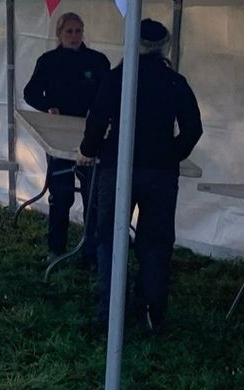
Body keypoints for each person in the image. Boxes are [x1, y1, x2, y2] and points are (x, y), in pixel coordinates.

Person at [78, 18, 203, 335]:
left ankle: (108, 313)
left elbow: (97, 121)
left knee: (110, 238)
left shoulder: (118, 77)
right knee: (156, 242)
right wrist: (170, 154)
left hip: (118, 166)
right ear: (165, 46)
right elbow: (193, 130)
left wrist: (88, 151)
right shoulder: (175, 81)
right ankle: (150, 311)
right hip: (160, 172)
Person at [22, 12, 111, 262]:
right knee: (61, 195)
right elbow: (30, 93)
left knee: (92, 195)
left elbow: (109, 95)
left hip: (91, 137)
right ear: (59, 35)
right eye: (69, 32)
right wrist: (48, 106)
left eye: (78, 31)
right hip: (58, 137)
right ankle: (55, 248)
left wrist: (99, 113)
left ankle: (91, 252)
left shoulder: (97, 61)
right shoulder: (48, 60)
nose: (74, 36)